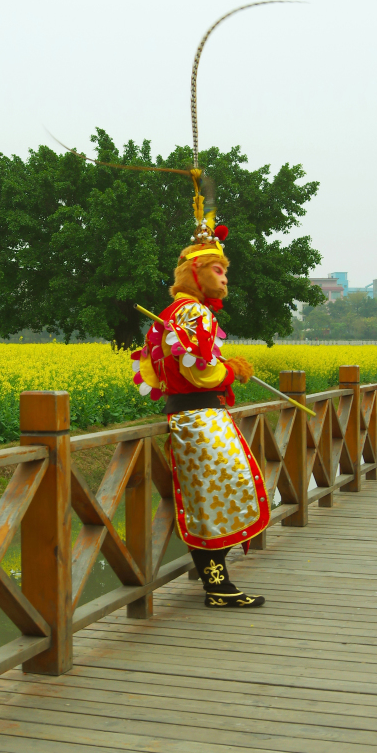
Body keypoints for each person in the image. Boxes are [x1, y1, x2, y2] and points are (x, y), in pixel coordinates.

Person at [131, 217, 270, 607]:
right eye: (218, 270)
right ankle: (217, 587)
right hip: (201, 418)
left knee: (210, 499)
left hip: (187, 418)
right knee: (223, 496)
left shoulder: (174, 312)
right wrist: (231, 371)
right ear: (196, 272)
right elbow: (199, 371)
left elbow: (162, 370)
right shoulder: (194, 313)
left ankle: (217, 583)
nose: (225, 279)